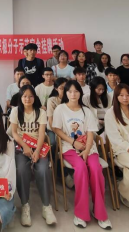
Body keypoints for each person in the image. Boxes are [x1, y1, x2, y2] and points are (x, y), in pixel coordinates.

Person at [52, 80, 112, 229]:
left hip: (88, 147)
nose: (73, 94)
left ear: (80, 93)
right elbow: (56, 129)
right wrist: (73, 142)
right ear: (66, 93)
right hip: (69, 147)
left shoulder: (86, 111)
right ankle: (81, 213)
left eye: (76, 91)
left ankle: (100, 212)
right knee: (81, 169)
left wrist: (87, 149)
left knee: (96, 169)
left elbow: (91, 132)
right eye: (70, 91)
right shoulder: (60, 109)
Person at [10, 85, 57, 226]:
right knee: (21, 170)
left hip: (38, 146)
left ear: (34, 97)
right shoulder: (15, 111)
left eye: (30, 96)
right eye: (24, 96)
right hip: (21, 147)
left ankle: (46, 206)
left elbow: (42, 134)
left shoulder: (40, 112)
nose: (27, 99)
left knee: (43, 170)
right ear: (20, 97)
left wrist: (37, 151)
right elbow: (14, 133)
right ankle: (25, 205)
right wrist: (25, 146)